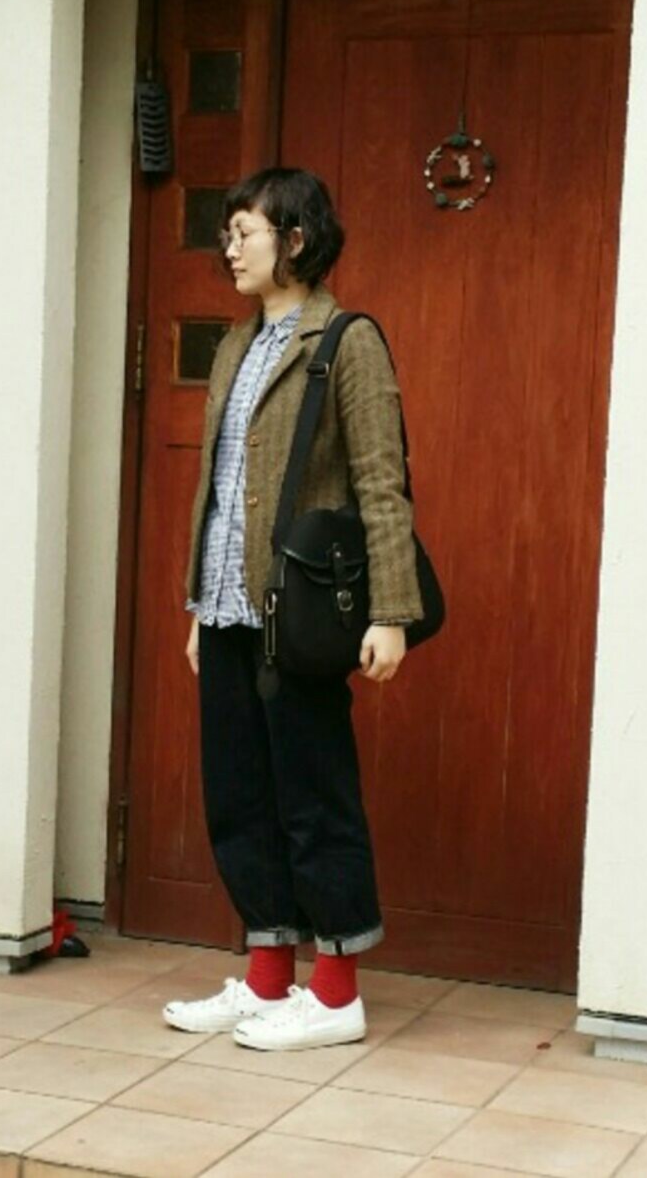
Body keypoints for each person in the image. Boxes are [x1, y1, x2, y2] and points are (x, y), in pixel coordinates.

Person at [162, 167, 424, 1051]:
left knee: (314, 798)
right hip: (227, 611)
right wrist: (200, 603)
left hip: (297, 617)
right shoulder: (236, 345)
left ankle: (337, 994)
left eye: (245, 232)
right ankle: (269, 981)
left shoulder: (347, 340)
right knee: (239, 797)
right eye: (228, 233)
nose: (229, 248)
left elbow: (381, 482)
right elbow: (218, 488)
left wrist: (390, 611)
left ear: (296, 240)